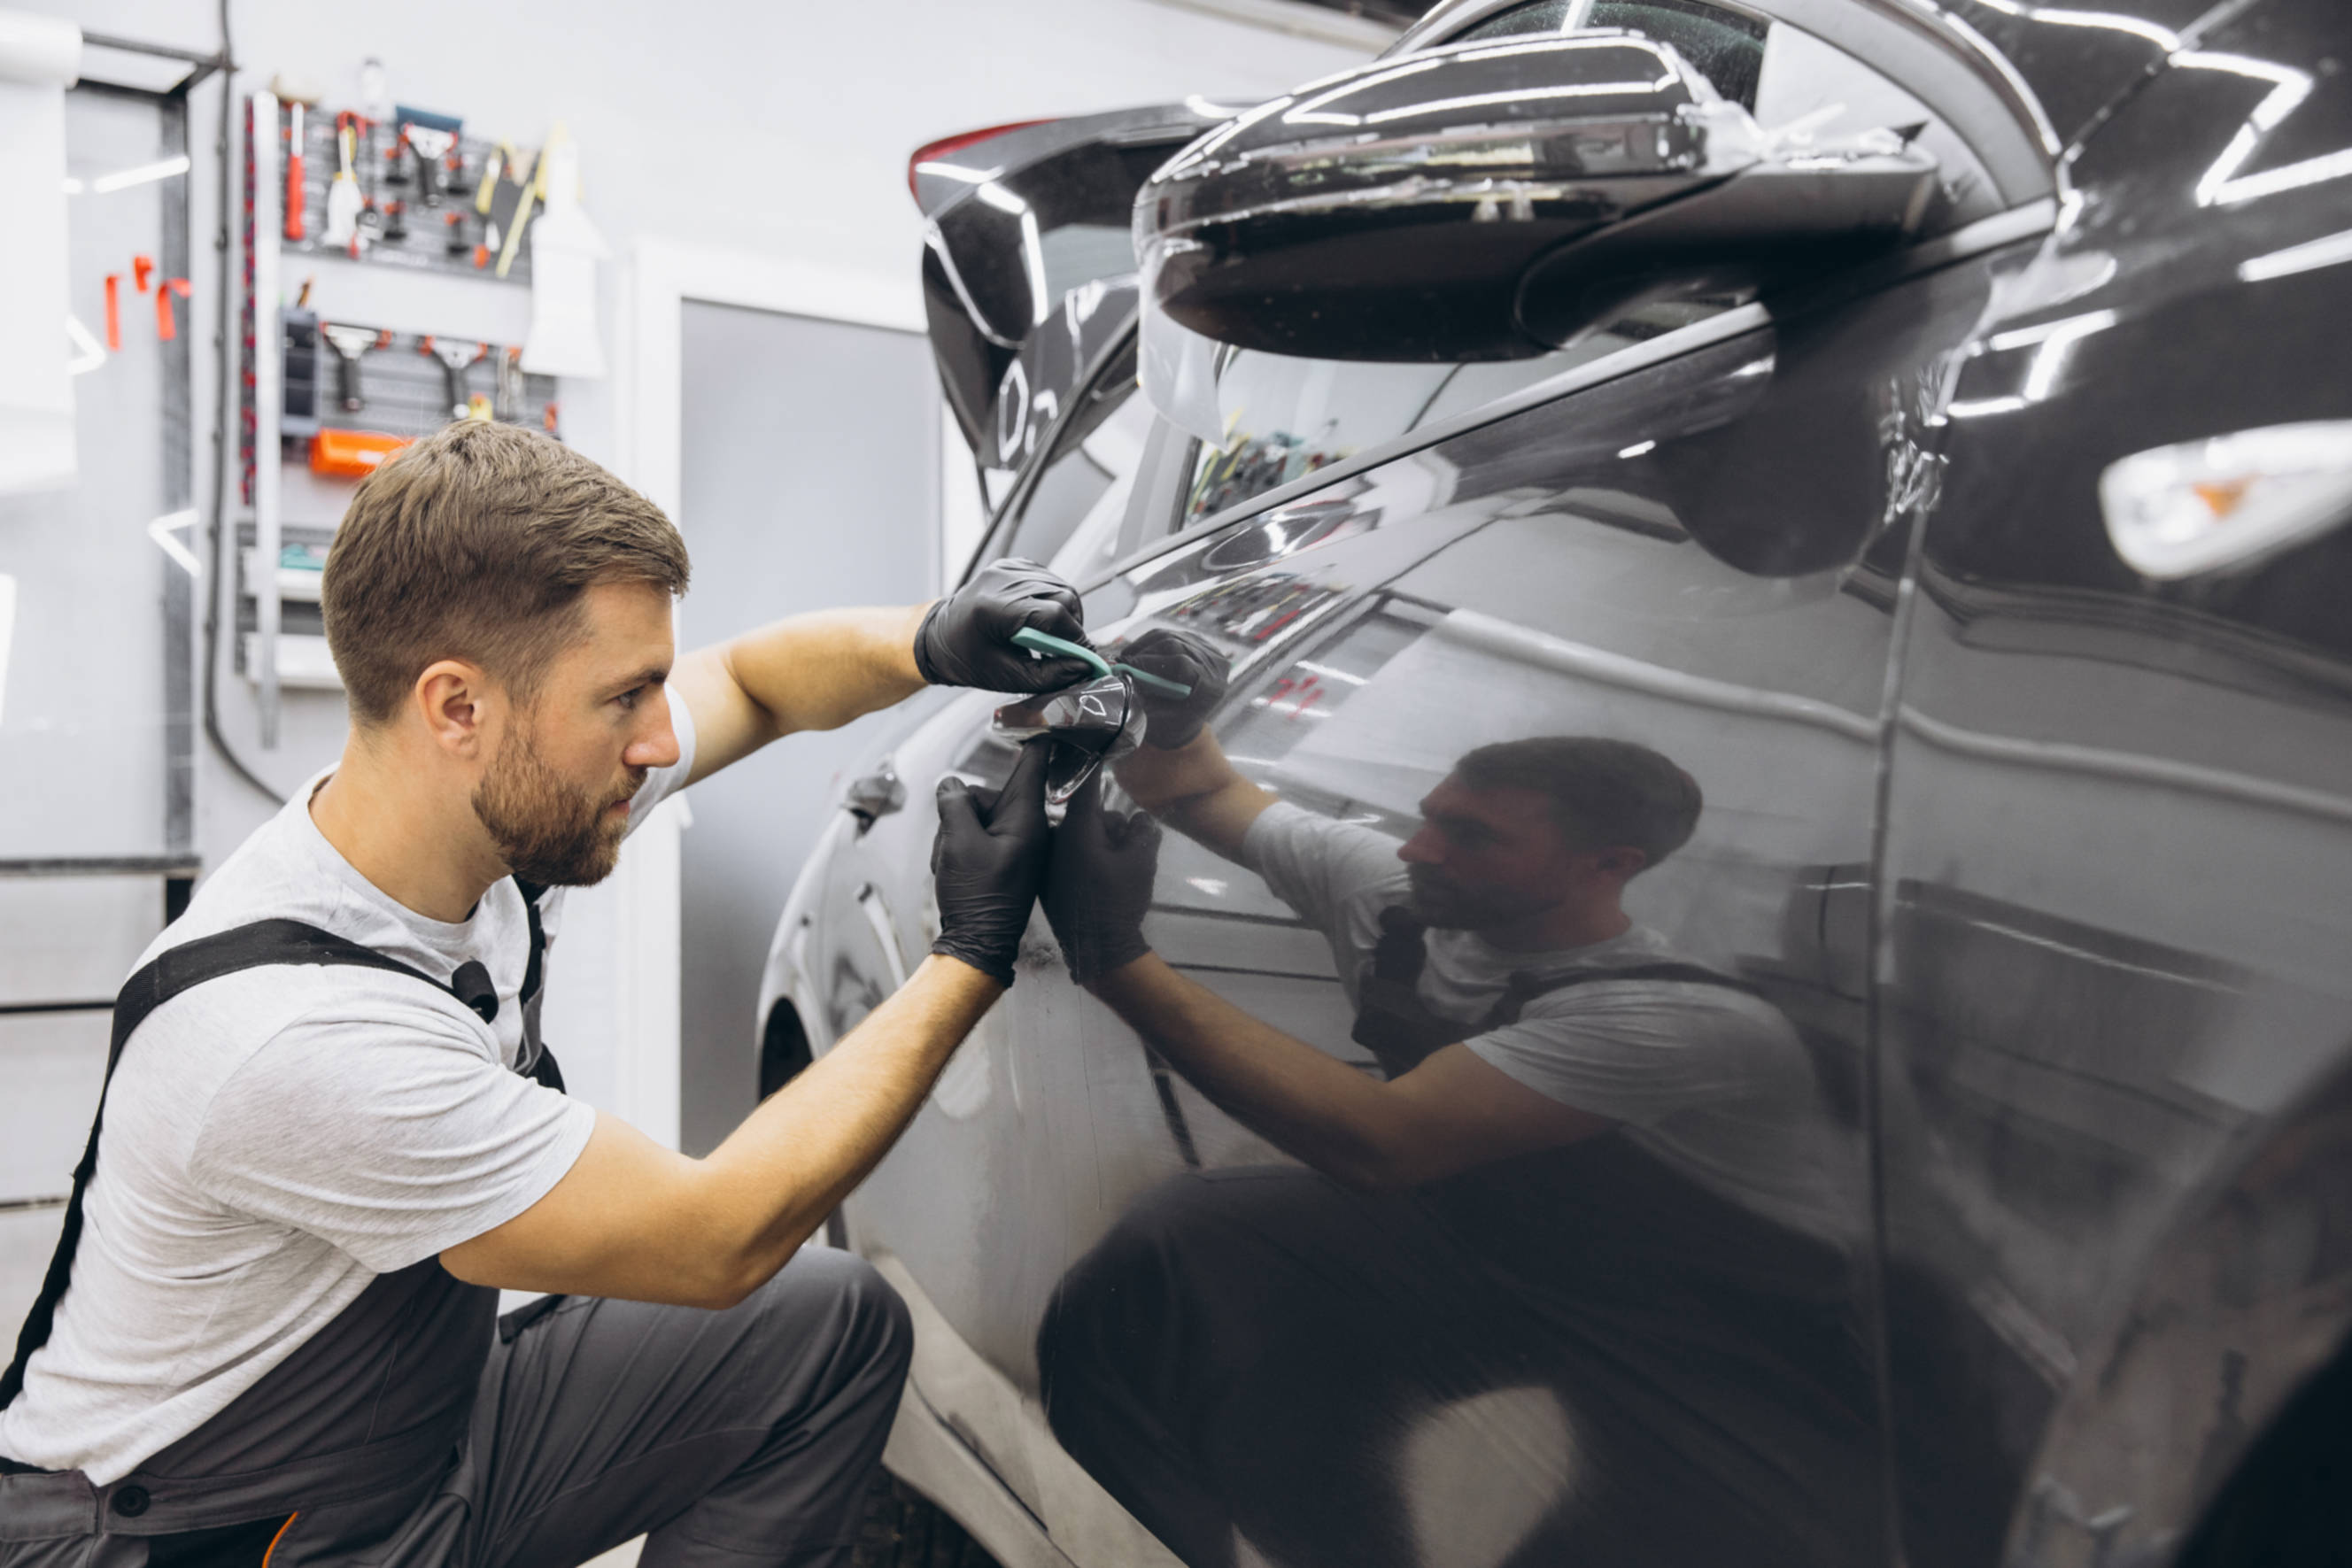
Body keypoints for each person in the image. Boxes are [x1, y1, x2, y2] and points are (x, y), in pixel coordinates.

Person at [0, 422, 1087, 1568]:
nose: (662, 738)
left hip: (419, 1451)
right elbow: (715, 1235)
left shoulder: (486, 818)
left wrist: (932, 636)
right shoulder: (294, 1033)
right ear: (456, 706)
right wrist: (971, 949)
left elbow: (755, 682)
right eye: (625, 697)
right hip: (196, 1533)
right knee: (749, 1267)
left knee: (826, 1329)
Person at [1033, 630, 1876, 1568]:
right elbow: (1198, 790)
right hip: (1510, 1256)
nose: (1419, 846)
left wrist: (1105, 948)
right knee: (1185, 1253)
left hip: (1715, 1342)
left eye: (1471, 835)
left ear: (1608, 865)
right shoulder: (1403, 898)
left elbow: (1384, 1144)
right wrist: (1176, 714)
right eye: (1433, 814)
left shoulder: (1673, 1018)